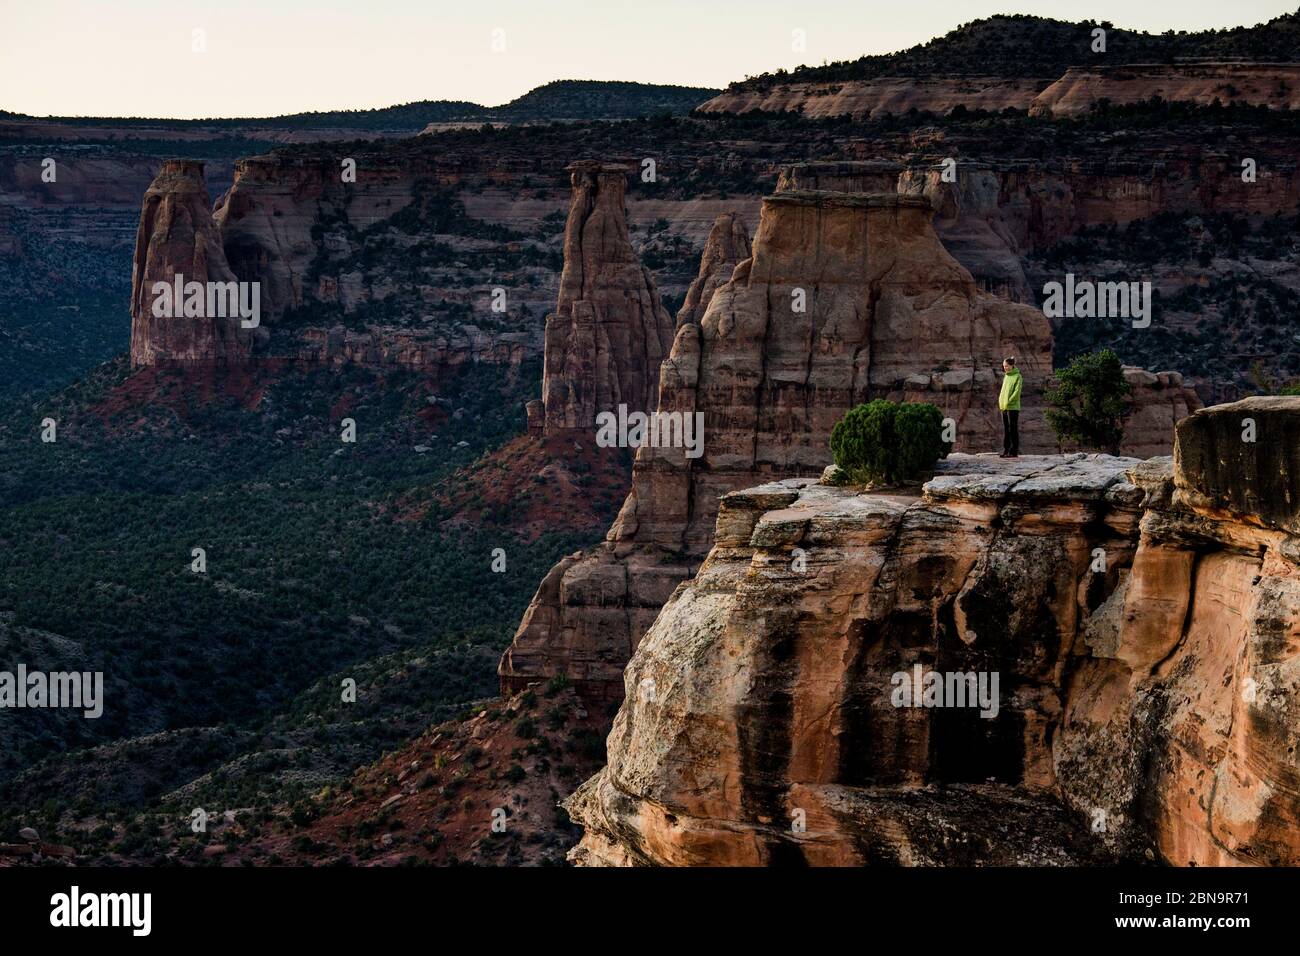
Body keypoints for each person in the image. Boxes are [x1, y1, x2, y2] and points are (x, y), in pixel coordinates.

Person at [998, 356, 1022, 458]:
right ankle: (1006, 450)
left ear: (1012, 365)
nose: (1005, 368)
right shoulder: (1006, 376)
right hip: (1004, 407)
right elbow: (1003, 391)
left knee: (1013, 429)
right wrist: (1001, 401)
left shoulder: (1018, 376)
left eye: (1007, 366)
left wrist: (1008, 401)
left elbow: (1017, 392)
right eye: (1004, 366)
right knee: (1006, 429)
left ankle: (1013, 451)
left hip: (1013, 407)